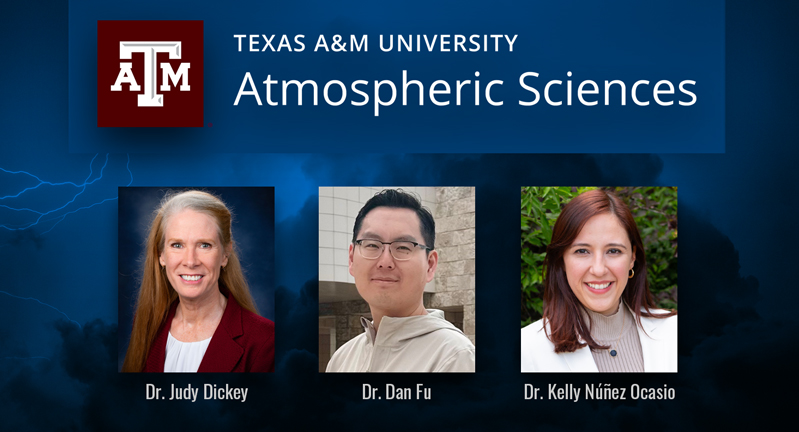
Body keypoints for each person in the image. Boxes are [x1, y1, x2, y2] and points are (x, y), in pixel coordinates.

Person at [521, 189, 677, 372]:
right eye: (582, 251)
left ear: (632, 258)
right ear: (562, 260)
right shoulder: (526, 350)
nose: (598, 269)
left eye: (613, 251)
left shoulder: (675, 333)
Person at [121, 190, 274, 372]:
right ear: (161, 254)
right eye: (177, 245)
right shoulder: (146, 324)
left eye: (204, 245)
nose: (191, 261)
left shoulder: (265, 340)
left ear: (225, 254)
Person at [326, 189, 475, 372]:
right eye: (372, 245)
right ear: (351, 259)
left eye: (403, 247)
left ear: (430, 265)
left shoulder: (452, 357)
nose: (385, 262)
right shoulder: (342, 359)